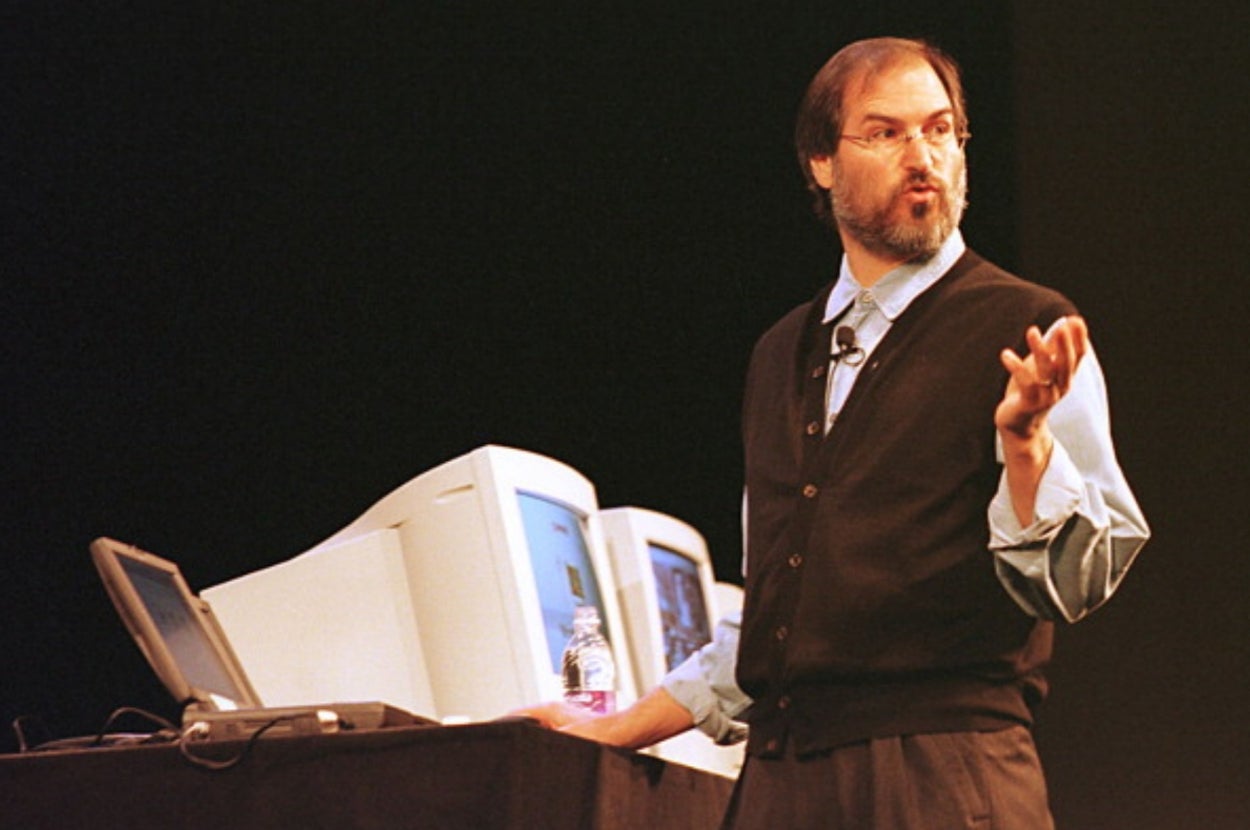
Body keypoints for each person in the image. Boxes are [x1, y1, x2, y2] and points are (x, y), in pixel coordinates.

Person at [519, 37, 1149, 828]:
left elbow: (1079, 579)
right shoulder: (784, 351)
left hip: (940, 777)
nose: (922, 155)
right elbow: (776, 625)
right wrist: (613, 729)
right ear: (820, 161)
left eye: (941, 130)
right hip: (785, 783)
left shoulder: (1029, 328)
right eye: (885, 133)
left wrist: (1026, 448)